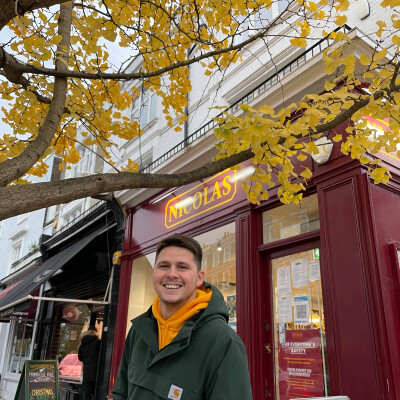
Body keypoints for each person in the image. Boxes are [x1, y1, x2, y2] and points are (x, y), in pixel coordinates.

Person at [112, 234, 253, 400]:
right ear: (154, 274)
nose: (172, 274)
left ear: (200, 278)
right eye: (164, 266)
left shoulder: (224, 343)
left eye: (182, 267)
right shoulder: (138, 331)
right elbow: (121, 394)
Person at [78, 326, 101, 400]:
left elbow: (80, 358)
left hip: (86, 373)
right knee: (96, 393)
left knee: (86, 393)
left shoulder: (83, 344)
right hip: (97, 372)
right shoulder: (98, 342)